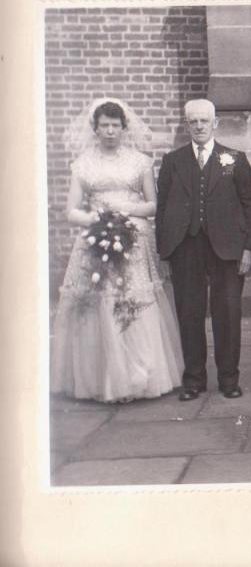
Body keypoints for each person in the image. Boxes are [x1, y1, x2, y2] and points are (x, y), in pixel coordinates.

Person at [51, 98, 183, 403]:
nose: (110, 131)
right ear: (95, 129)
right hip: (95, 240)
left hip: (133, 236)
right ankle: (102, 378)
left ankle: (141, 374)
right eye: (104, 125)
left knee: (133, 300)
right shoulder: (83, 164)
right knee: (100, 302)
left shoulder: (140, 162)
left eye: (115, 125)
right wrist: (98, 220)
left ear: (124, 128)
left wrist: (126, 210)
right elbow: (71, 211)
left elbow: (153, 205)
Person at [156, 99, 251, 400]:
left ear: (215, 124)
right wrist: (164, 251)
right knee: (189, 313)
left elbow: (250, 207)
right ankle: (193, 380)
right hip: (186, 246)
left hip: (227, 248)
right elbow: (162, 209)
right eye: (193, 121)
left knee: (228, 313)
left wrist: (247, 249)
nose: (199, 126)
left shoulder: (235, 159)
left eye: (204, 121)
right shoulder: (173, 161)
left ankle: (228, 378)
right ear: (187, 125)